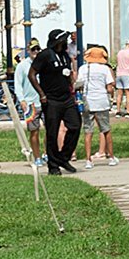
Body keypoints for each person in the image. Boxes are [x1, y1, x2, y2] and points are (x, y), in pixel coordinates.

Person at [30, 28, 83, 173]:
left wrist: (73, 86)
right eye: (64, 39)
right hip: (51, 100)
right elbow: (32, 74)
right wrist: (42, 94)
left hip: (67, 98)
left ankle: (63, 157)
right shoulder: (45, 55)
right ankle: (53, 166)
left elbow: (68, 74)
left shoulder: (65, 55)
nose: (66, 41)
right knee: (52, 133)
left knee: (75, 125)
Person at [79, 43, 118, 164]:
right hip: (101, 101)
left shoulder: (83, 69)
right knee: (106, 129)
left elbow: (79, 84)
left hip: (87, 101)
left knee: (88, 131)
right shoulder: (105, 69)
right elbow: (110, 87)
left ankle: (88, 159)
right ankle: (111, 157)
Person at [116, 40, 129, 114]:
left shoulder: (119, 53)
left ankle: (118, 110)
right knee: (128, 94)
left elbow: (117, 63)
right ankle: (128, 111)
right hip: (127, 74)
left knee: (119, 94)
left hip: (119, 74)